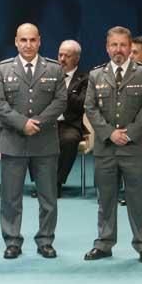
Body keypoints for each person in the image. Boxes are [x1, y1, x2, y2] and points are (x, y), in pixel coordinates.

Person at [0, 23, 66, 260]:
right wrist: (22, 123)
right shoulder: (4, 69)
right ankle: (12, 240)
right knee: (10, 198)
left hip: (44, 142)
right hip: (14, 141)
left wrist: (39, 122)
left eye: (32, 40)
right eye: (23, 40)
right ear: (16, 41)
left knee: (48, 198)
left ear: (40, 41)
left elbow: (60, 101)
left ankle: (45, 240)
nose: (28, 45)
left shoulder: (54, 69)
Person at [83, 26, 142, 263]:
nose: (118, 50)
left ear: (130, 48)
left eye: (123, 45)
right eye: (114, 45)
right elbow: (90, 108)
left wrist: (130, 133)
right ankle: (104, 243)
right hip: (106, 147)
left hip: (135, 148)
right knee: (105, 199)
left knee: (138, 200)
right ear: (107, 48)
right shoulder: (96, 75)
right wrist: (109, 133)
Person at [55, 40, 88, 196]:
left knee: (69, 140)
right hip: (48, 122)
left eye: (67, 56)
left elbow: (83, 103)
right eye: (60, 55)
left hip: (70, 123)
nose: (62, 59)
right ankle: (42, 181)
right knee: (32, 136)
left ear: (76, 58)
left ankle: (56, 182)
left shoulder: (85, 78)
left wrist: (65, 90)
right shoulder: (48, 75)